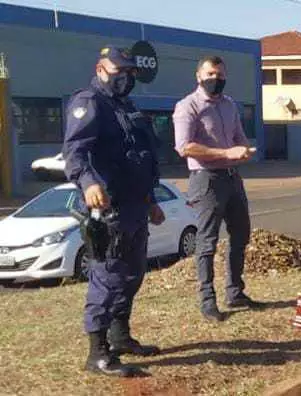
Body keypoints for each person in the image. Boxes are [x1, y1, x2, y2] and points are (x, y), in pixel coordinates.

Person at [63, 46, 165, 377]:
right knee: (107, 278)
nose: (126, 77)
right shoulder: (89, 103)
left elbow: (139, 156)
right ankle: (97, 353)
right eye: (120, 70)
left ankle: (120, 337)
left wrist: (150, 200)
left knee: (132, 275)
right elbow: (76, 152)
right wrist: (88, 182)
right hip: (108, 209)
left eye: (130, 72)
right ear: (101, 68)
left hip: (135, 206)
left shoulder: (126, 105)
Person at [173, 56, 261, 322]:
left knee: (241, 234)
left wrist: (244, 150)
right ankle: (207, 300)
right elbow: (184, 147)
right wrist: (225, 152)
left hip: (233, 177)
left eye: (221, 75)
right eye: (211, 74)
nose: (216, 79)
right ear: (199, 76)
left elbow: (238, 137)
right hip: (206, 179)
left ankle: (235, 292)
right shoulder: (187, 106)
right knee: (207, 240)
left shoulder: (229, 104)